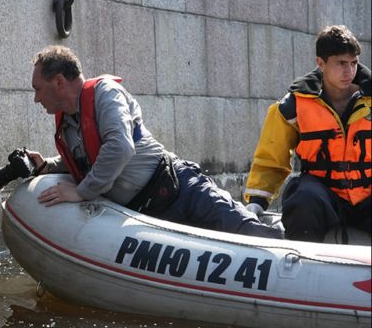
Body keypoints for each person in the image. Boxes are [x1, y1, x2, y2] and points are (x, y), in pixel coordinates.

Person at [25, 45, 283, 239]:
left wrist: (81, 192)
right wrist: (47, 165)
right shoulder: (68, 123)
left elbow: (120, 147)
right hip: (146, 215)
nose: (36, 99)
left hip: (180, 189)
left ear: (59, 81)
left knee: (251, 234)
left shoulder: (105, 93)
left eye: (37, 88)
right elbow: (88, 159)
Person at [244, 25, 371, 243]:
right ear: (320, 63)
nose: (349, 71)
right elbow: (271, 158)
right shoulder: (292, 106)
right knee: (302, 197)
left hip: (367, 195)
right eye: (341, 63)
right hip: (323, 196)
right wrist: (256, 202)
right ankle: (302, 265)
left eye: (353, 63)